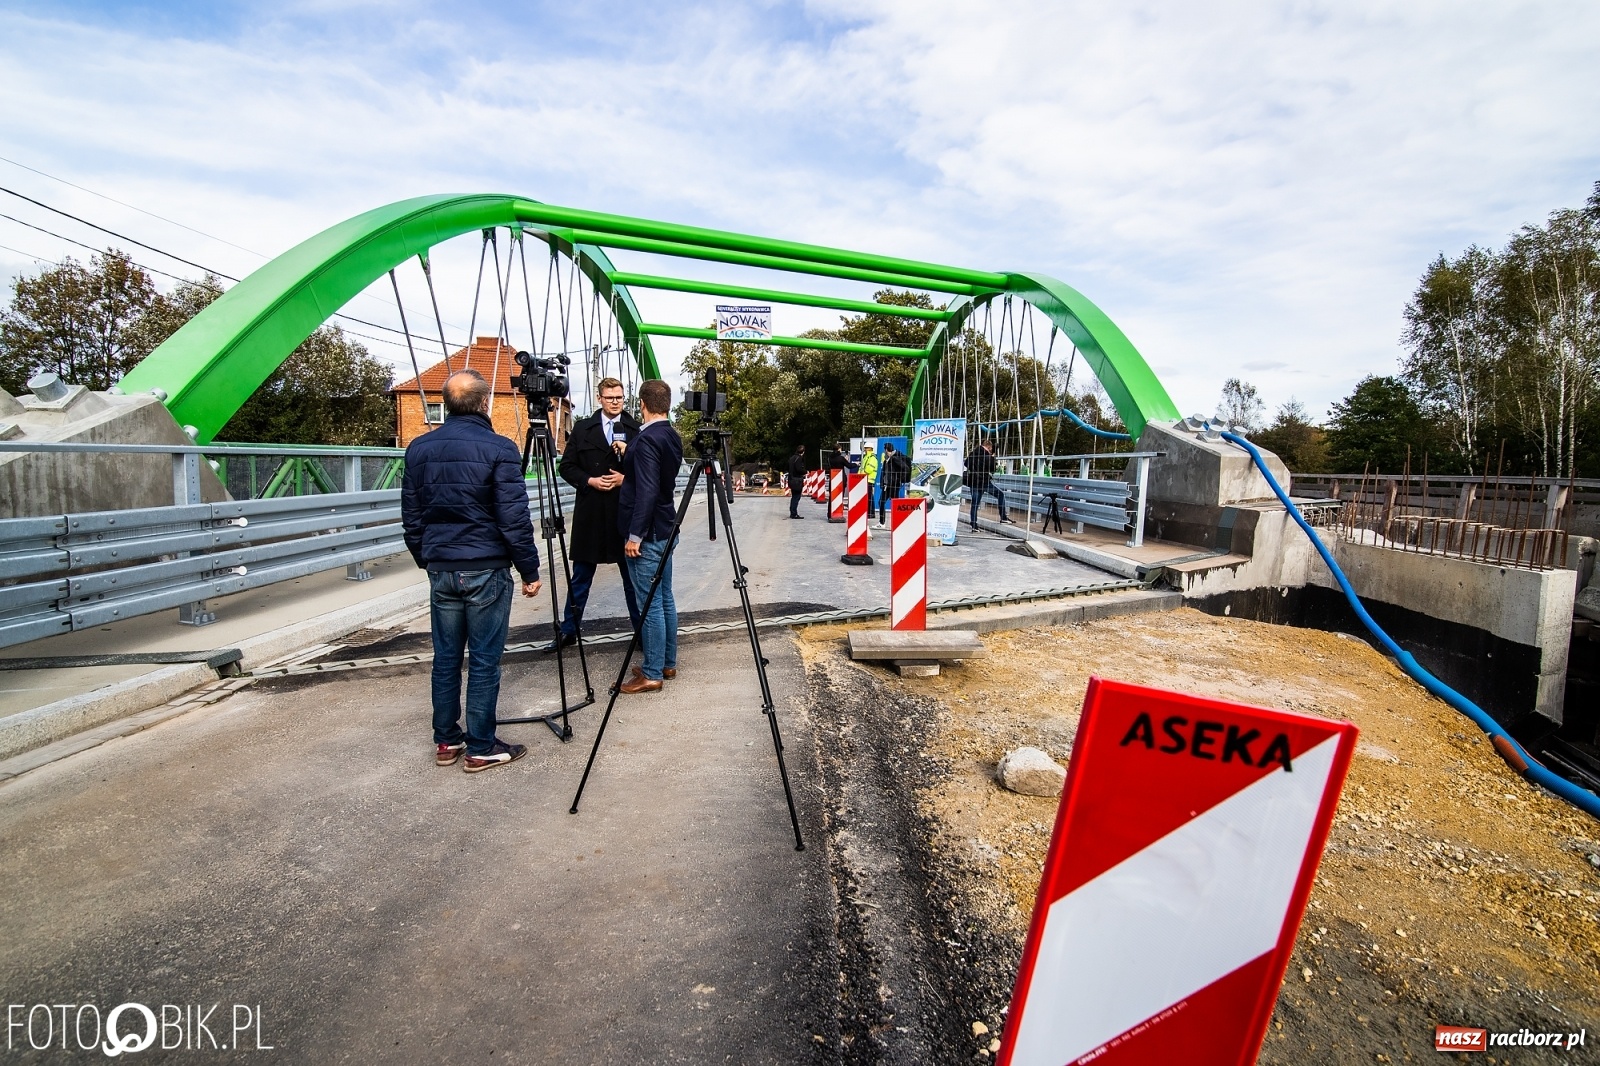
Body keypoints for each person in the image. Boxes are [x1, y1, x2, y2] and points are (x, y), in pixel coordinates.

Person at [402, 369, 542, 773]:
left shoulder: (419, 448)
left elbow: (411, 516)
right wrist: (529, 569)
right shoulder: (500, 448)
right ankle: (482, 745)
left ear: (447, 405)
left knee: (446, 658)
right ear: (485, 403)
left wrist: (427, 559)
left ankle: (447, 740)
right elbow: (513, 519)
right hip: (486, 569)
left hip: (442, 568)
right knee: (483, 660)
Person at [549, 377, 641, 651]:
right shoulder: (582, 428)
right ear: (599, 398)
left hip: (623, 513)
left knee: (632, 580)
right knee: (580, 578)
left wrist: (626, 478)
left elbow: (648, 470)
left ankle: (642, 632)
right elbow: (566, 467)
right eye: (610, 397)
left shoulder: (635, 429)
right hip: (590, 512)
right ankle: (569, 630)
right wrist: (589, 480)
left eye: (620, 397)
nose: (615, 402)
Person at [617, 378, 683, 694]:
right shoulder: (670, 435)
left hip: (649, 532)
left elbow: (646, 490)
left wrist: (635, 536)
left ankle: (652, 672)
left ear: (641, 404)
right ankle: (666, 661)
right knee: (665, 597)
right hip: (667, 528)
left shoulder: (645, 441)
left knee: (650, 604)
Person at [965, 438, 1012, 529]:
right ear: (989, 447)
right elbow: (992, 469)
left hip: (973, 482)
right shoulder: (987, 455)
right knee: (1000, 495)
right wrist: (992, 456)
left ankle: (974, 524)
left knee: (975, 503)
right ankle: (1003, 517)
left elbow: (966, 464)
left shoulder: (972, 454)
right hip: (984, 482)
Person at [877, 442, 910, 523]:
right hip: (887, 485)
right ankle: (883, 522)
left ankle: (895, 522)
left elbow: (906, 468)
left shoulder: (895, 459)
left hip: (893, 485)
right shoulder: (888, 459)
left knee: (892, 503)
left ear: (886, 450)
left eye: (884, 450)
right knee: (883, 502)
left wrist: (899, 479)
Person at [859, 442, 880, 527]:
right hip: (864, 479)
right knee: (868, 497)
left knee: (869, 497)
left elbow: (868, 469)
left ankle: (871, 513)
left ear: (868, 448)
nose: (864, 450)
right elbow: (862, 468)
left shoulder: (872, 458)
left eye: (865, 448)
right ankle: (869, 512)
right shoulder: (866, 457)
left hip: (869, 480)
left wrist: (862, 474)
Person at [787, 442, 808, 519]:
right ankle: (794, 513)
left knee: (794, 496)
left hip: (791, 479)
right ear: (803, 451)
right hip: (797, 480)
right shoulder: (799, 458)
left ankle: (792, 512)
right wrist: (805, 471)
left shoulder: (792, 458)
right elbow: (799, 469)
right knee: (796, 497)